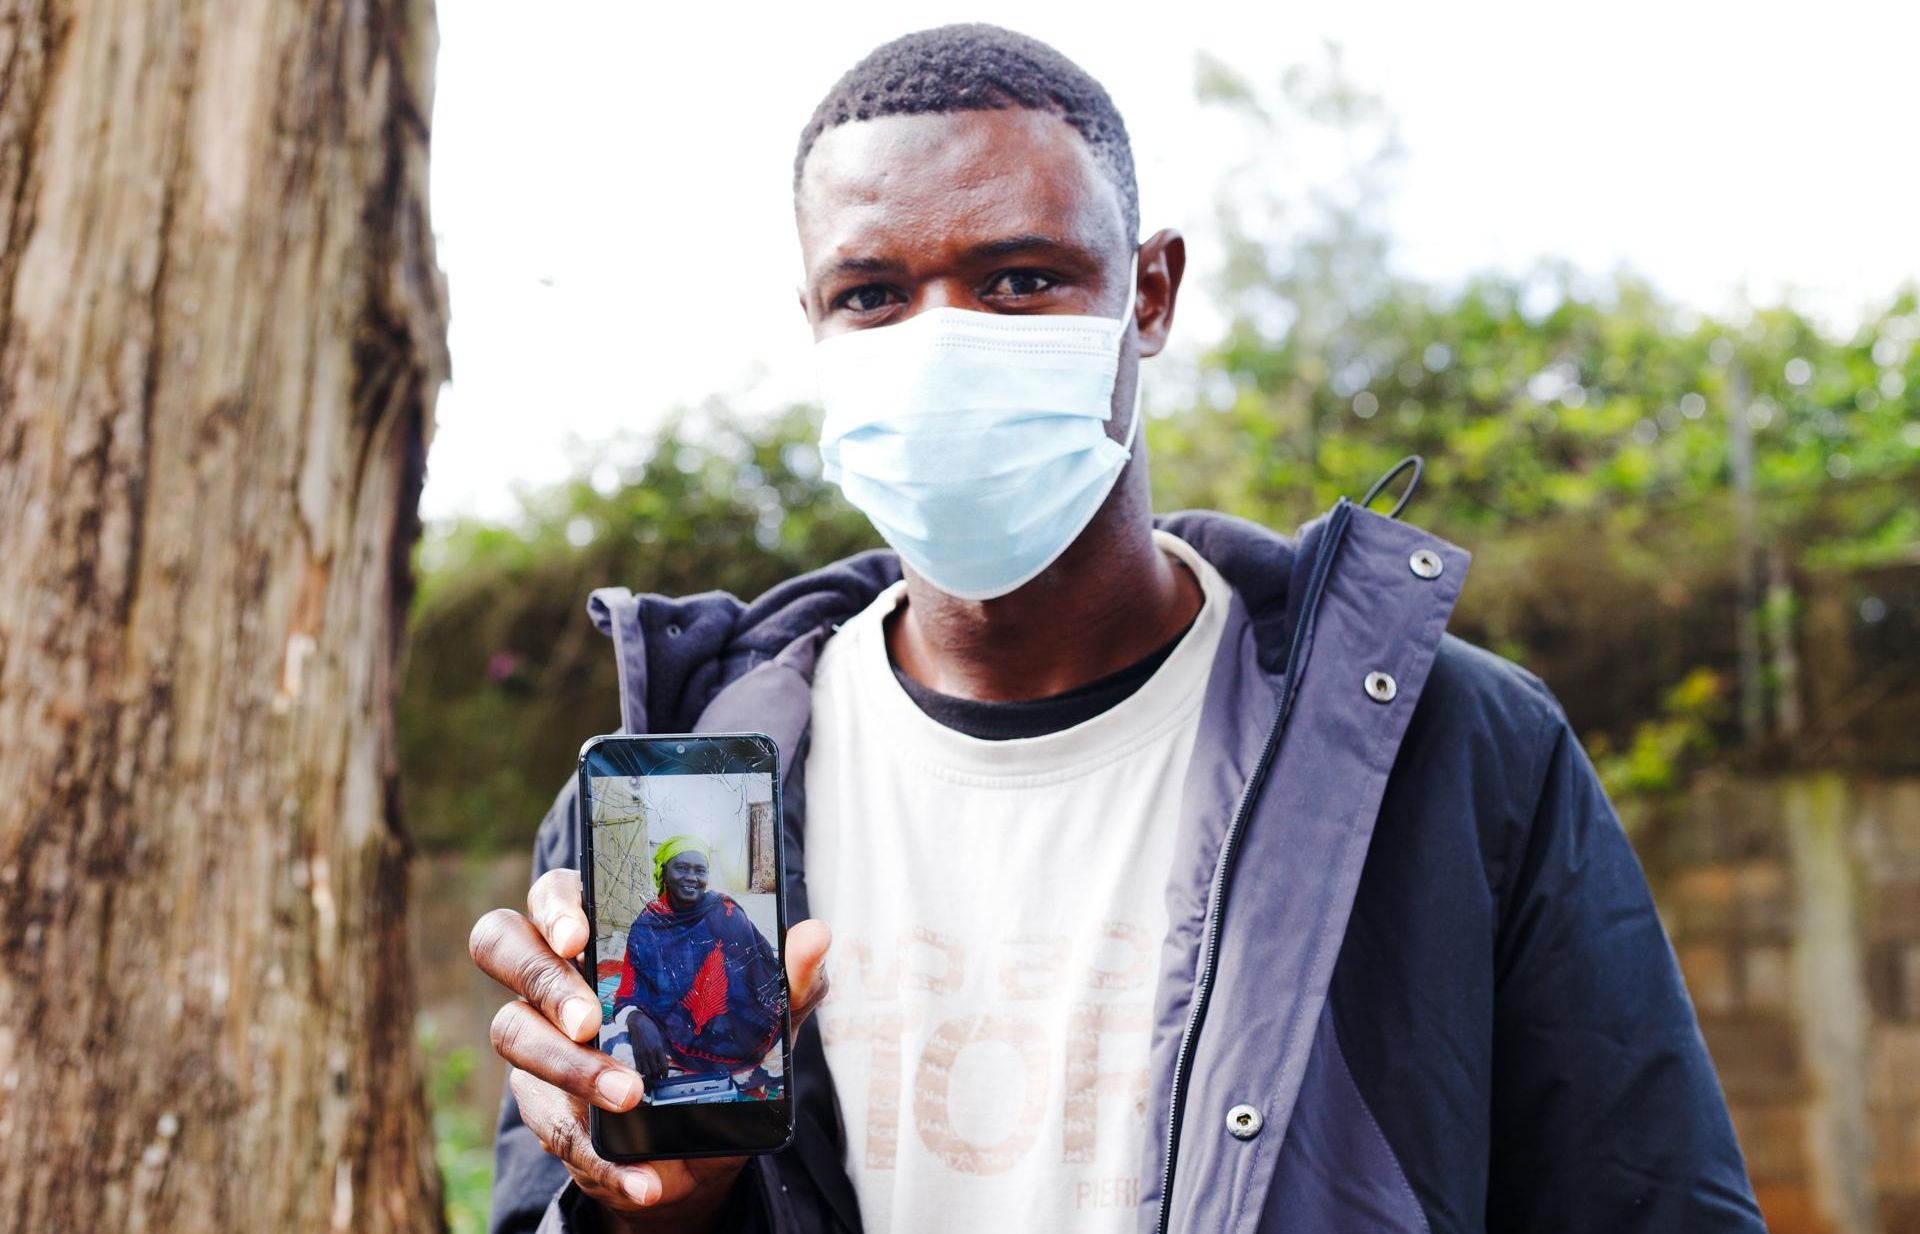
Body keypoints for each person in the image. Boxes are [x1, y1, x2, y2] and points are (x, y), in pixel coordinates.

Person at [467, 23, 1768, 1234]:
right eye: (871, 294)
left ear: (1149, 295)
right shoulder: (681, 798)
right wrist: (653, 1205)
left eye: (1020, 277)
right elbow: (570, 1199)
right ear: (812, 319)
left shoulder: (1453, 747)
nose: (943, 347)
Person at [606, 837, 783, 1090]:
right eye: (681, 868)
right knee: (615, 1054)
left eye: (700, 870)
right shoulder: (649, 924)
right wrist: (635, 1018)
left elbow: (758, 967)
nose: (692, 877)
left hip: (732, 1028)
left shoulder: (725, 912)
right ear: (664, 873)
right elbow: (629, 991)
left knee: (788, 1048)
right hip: (671, 1028)